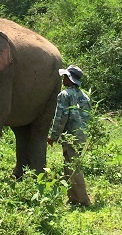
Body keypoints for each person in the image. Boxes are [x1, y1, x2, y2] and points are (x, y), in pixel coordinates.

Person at [48, 65, 91, 206]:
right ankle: (73, 198)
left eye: (65, 76)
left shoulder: (64, 95)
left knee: (73, 167)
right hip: (82, 136)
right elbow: (88, 118)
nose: (63, 79)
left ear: (70, 79)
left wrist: (53, 136)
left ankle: (83, 200)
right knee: (70, 165)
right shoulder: (84, 96)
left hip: (70, 136)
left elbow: (60, 118)